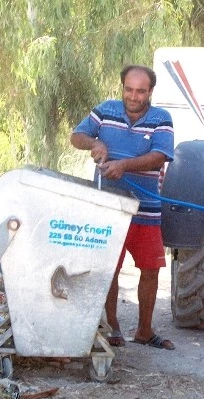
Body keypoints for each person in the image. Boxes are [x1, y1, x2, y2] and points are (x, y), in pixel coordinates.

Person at [71, 65, 175, 350]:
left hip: (147, 209)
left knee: (151, 269)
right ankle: (114, 327)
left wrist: (124, 165)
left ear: (150, 92)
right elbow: (76, 136)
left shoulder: (161, 118)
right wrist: (95, 142)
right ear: (122, 88)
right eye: (129, 89)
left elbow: (159, 156)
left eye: (141, 91)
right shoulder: (105, 110)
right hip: (109, 210)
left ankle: (144, 330)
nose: (133, 96)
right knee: (109, 269)